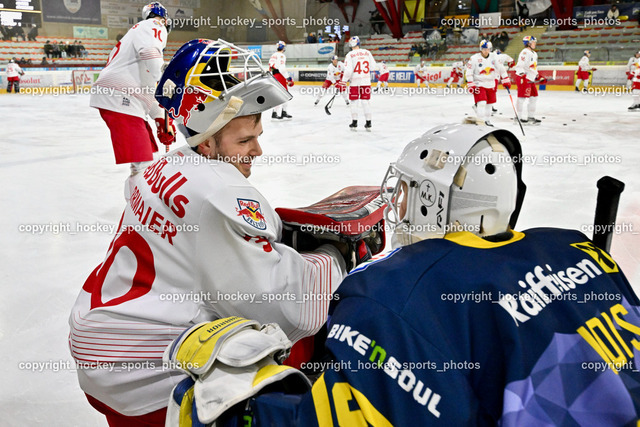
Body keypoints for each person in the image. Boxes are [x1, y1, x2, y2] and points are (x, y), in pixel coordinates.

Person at [165, 122, 640, 426]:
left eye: (412, 191)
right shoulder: (576, 246)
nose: (400, 203)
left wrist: (236, 408)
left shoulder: (398, 292)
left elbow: (350, 417)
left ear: (436, 201)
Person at [69, 38, 348, 427]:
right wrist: (333, 260)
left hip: (100, 337)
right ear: (208, 133)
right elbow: (282, 306)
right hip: (141, 374)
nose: (257, 151)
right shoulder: (220, 195)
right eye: (245, 140)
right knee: (284, 343)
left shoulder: (162, 165)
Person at [90, 2, 176, 177]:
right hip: (121, 97)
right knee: (146, 167)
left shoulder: (136, 40)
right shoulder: (153, 24)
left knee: (149, 158)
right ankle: (141, 203)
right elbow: (150, 52)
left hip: (125, 98)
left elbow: (148, 89)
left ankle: (136, 202)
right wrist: (165, 81)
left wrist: (160, 119)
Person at [466, 40, 510, 126]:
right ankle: (480, 122)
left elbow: (501, 68)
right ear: (481, 49)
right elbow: (469, 71)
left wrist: (505, 79)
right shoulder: (474, 58)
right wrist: (471, 83)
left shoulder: (494, 57)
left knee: (489, 104)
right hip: (479, 83)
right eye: (484, 49)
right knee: (482, 103)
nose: (486, 51)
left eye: (488, 49)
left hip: (491, 84)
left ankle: (487, 120)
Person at [341, 36, 376, 131]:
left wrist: (343, 81)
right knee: (365, 102)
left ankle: (354, 122)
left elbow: (348, 71)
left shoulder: (350, 55)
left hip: (354, 82)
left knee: (354, 102)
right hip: (366, 81)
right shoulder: (367, 52)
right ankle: (368, 122)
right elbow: (373, 67)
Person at [514, 35, 542, 124]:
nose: (535, 44)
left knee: (534, 97)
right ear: (528, 43)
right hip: (524, 78)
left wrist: (537, 75)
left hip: (531, 78)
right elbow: (519, 65)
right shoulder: (525, 52)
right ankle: (518, 117)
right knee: (521, 98)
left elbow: (533, 67)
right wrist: (522, 76)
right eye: (533, 42)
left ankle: (531, 117)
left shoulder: (534, 53)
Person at [268, 40, 294, 120]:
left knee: (281, 95)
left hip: (274, 75)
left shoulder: (273, 55)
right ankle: (277, 112)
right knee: (283, 95)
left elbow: (270, 67)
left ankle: (282, 112)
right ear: (283, 48)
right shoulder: (281, 56)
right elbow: (282, 68)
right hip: (280, 76)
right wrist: (288, 78)